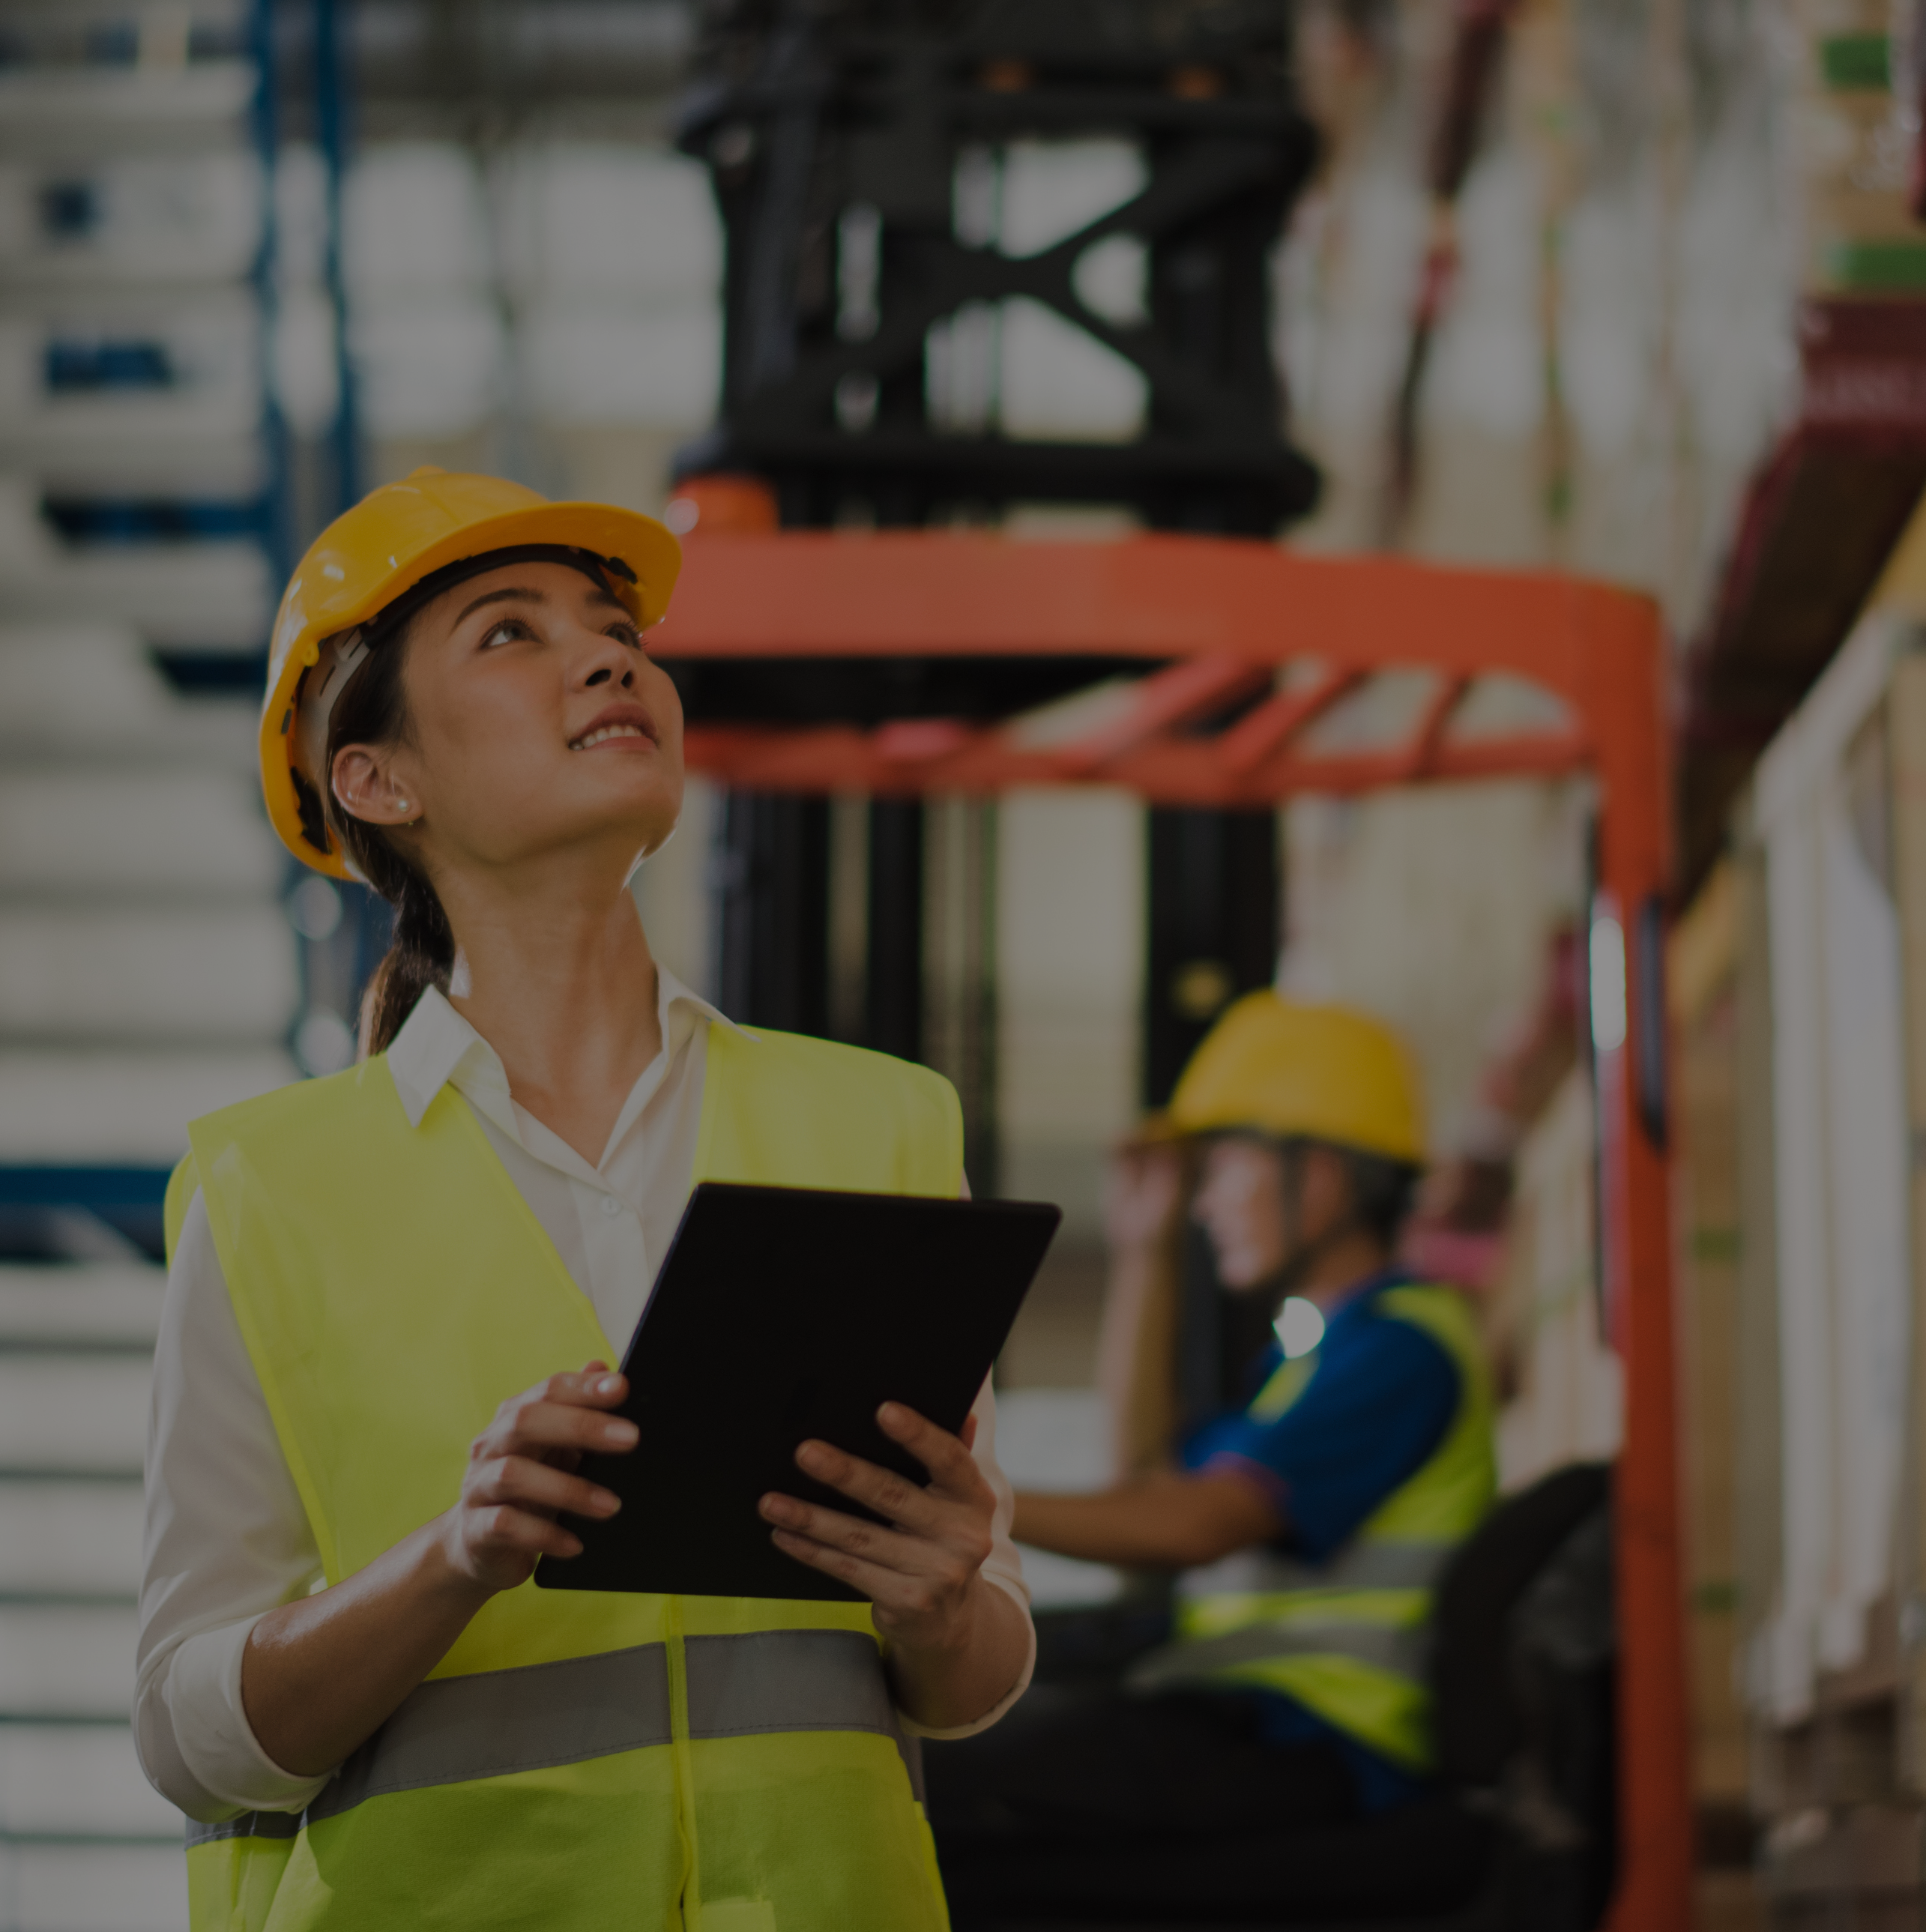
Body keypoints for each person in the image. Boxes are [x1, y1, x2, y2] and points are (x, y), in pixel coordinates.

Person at [135, 468, 1034, 1932]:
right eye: (511, 633)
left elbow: (980, 1672)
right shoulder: (268, 1188)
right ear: (378, 779)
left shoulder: (876, 1120)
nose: (613, 656)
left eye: (617, 628)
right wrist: (458, 1553)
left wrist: (939, 1602)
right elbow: (188, 1736)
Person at [926, 991, 1496, 1913]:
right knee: (950, 1784)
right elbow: (1144, 1469)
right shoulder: (1308, 1356)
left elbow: (1191, 1525)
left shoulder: (1400, 1349)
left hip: (1312, 1738)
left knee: (948, 1801)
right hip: (1245, 1715)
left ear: (1313, 1177)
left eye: (1221, 1166)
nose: (1204, 1204)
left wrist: (958, 1498)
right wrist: (1144, 1252)